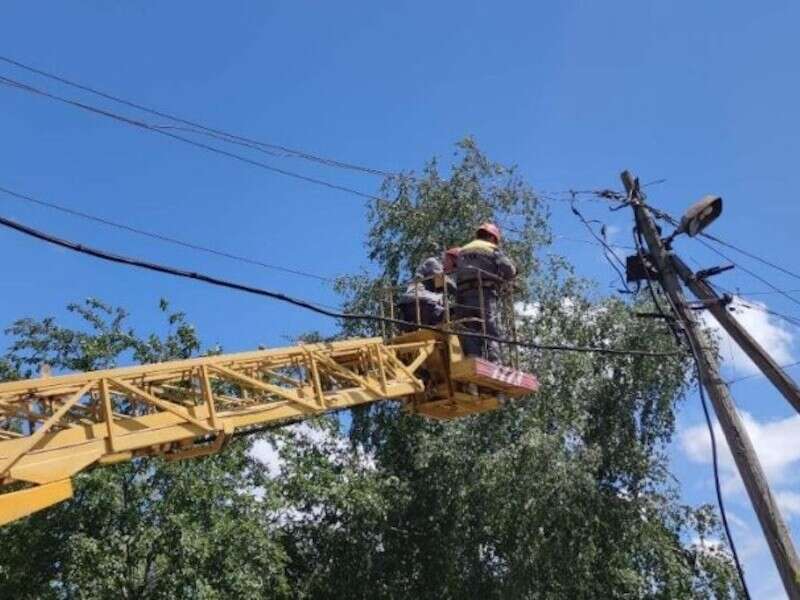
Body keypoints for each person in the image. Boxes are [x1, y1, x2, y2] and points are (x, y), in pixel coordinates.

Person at [454, 223, 516, 362]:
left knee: (470, 326)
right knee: (489, 327)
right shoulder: (491, 248)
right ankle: (495, 361)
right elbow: (508, 269)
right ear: (492, 238)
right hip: (483, 293)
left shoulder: (463, 250)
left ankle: (473, 357)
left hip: (463, 295)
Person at [398, 256, 447, 332]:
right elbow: (440, 278)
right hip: (422, 305)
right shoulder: (432, 263)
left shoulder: (413, 284)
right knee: (446, 314)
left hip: (406, 310)